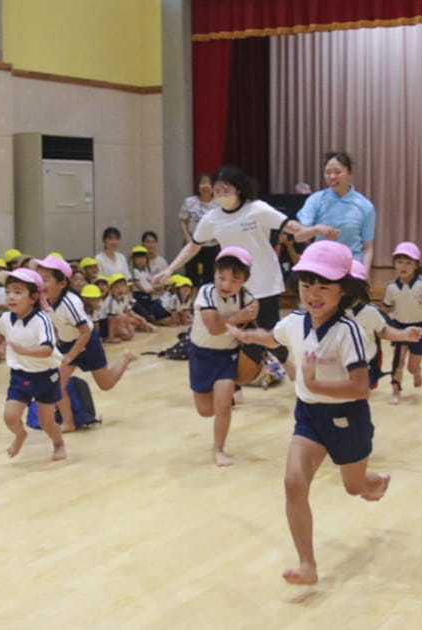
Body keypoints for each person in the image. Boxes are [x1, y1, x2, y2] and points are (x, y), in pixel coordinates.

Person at [226, 241, 390, 585]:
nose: (313, 294)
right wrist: (245, 335)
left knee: (355, 486)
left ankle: (376, 483)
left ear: (342, 290)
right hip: (309, 417)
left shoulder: (350, 333)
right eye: (306, 285)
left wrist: (316, 384)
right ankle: (307, 564)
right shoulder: (295, 322)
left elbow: (361, 387)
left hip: (348, 418)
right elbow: (273, 337)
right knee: (293, 484)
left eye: (323, 287)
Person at [155, 166, 334, 348]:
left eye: (226, 190)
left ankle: (280, 367)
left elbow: (293, 228)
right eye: (218, 190)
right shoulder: (211, 218)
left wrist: (316, 230)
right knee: (240, 338)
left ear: (238, 189)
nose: (222, 194)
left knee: (270, 336)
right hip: (234, 285)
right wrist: (170, 269)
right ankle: (251, 373)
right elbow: (193, 246)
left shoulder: (257, 209)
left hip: (264, 282)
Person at [32, 256, 136, 434]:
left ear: (62, 283)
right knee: (57, 385)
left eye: (46, 279)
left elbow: (85, 332)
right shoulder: (44, 300)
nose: (42, 283)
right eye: (40, 278)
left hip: (87, 343)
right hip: (67, 343)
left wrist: (71, 355)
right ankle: (68, 422)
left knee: (106, 384)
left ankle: (126, 359)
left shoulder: (70, 303)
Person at [0, 269, 68, 461]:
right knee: (10, 416)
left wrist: (23, 351)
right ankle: (20, 435)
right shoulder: (5, 318)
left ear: (33, 297)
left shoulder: (42, 320)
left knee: (46, 422)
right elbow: (1, 333)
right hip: (21, 375)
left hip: (46, 375)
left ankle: (58, 443)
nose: (11, 296)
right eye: (8, 291)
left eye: (18, 292)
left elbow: (47, 350)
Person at [185, 247, 258, 466]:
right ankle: (225, 397)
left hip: (228, 356)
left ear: (244, 280)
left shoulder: (248, 298)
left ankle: (219, 449)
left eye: (234, 280)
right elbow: (214, 328)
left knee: (223, 406)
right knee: (206, 411)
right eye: (221, 277)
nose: (226, 285)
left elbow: (249, 327)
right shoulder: (206, 293)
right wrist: (239, 317)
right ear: (214, 274)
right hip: (200, 354)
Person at [381, 242, 422, 405]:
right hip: (399, 328)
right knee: (398, 363)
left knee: (411, 366)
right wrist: (381, 327)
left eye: (408, 262)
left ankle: (416, 372)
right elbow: (386, 309)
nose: (404, 266)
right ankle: (396, 392)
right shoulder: (392, 287)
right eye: (400, 262)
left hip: (420, 328)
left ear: (416, 265)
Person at [347, 261, 422, 389]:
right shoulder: (328, 312)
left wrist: (403, 334)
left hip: (363, 366)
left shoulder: (369, 312)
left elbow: (382, 330)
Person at [294, 151, 376, 265]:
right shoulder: (316, 199)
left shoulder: (365, 206)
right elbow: (298, 237)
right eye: (328, 172)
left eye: (338, 172)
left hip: (351, 264)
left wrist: (364, 276)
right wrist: (316, 229)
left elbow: (368, 248)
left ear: (350, 173)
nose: (332, 177)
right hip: (321, 263)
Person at [179, 173, 221, 286]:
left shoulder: (219, 203)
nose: (205, 186)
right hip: (192, 242)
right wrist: (187, 237)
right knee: (192, 274)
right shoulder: (190, 202)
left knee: (210, 274)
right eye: (203, 183)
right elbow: (183, 221)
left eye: (208, 183)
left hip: (212, 244)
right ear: (198, 186)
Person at [128, 246, 171, 324]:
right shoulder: (133, 270)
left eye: (143, 258)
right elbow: (136, 282)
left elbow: (149, 280)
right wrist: (145, 289)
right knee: (145, 314)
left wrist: (154, 285)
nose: (140, 261)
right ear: (133, 259)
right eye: (138, 258)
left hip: (148, 295)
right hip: (139, 295)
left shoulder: (146, 271)